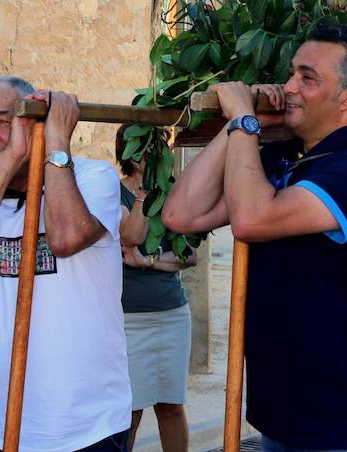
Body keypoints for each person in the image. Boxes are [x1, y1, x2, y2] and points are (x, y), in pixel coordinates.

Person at [163, 20, 347, 451]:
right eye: (291, 73)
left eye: (308, 77)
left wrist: (244, 119)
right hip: (285, 412)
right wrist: (237, 128)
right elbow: (183, 214)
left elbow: (252, 220)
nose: (288, 87)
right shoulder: (286, 157)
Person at [0, 77, 130, 452]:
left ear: (34, 122)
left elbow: (66, 238)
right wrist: (9, 160)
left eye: (3, 122)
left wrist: (54, 142)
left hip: (84, 427)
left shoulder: (92, 178)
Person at [116, 126, 197, 452]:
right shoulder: (114, 191)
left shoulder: (176, 193)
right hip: (129, 319)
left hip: (172, 315)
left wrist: (146, 262)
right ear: (127, 153)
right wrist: (144, 193)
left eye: (156, 148)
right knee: (130, 410)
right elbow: (130, 238)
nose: (150, 155)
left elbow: (189, 256)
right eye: (142, 149)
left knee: (171, 405)